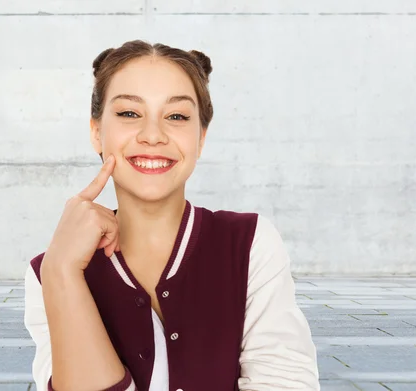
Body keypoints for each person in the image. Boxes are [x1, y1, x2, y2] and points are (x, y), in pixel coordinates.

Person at [24, 40, 320, 391]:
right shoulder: (49, 272)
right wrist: (62, 272)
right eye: (129, 114)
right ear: (96, 132)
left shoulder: (250, 243)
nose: (153, 135)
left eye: (177, 116)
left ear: (201, 138)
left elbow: (286, 382)